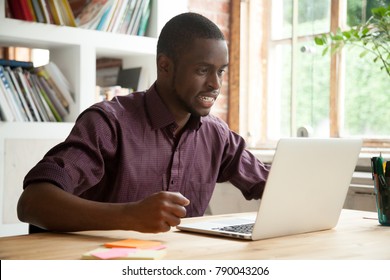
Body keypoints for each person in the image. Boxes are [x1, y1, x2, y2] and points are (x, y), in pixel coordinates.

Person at [17, 12, 269, 234]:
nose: (215, 84)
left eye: (221, 71)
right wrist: (130, 215)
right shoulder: (109, 123)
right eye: (203, 70)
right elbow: (32, 202)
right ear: (165, 66)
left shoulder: (217, 135)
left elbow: (272, 184)